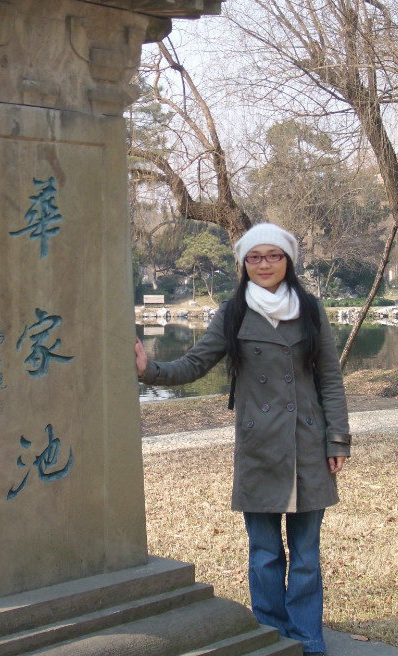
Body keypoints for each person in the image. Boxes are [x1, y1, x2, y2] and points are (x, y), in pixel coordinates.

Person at [135, 223, 351, 656]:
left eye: (273, 256)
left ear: (287, 260)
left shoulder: (310, 309)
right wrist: (148, 370)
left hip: (307, 445)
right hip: (258, 448)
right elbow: (194, 364)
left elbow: (330, 379)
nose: (264, 264)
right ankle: (272, 634)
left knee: (306, 555)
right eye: (255, 257)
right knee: (265, 552)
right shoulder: (233, 313)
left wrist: (338, 440)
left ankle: (309, 638)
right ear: (243, 263)